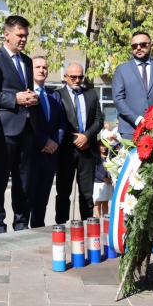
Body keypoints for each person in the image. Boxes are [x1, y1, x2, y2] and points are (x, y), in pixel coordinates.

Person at [0, 15, 39, 234]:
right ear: (7, 34)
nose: (23, 39)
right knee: (0, 181)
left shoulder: (28, 61)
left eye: (26, 35)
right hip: (3, 130)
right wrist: (15, 98)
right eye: (19, 35)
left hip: (26, 128)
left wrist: (33, 98)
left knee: (24, 181)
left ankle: (22, 224)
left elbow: (27, 91)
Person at [55, 63, 104, 224]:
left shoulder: (91, 95)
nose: (77, 80)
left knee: (87, 194)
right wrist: (75, 139)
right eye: (73, 77)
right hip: (66, 151)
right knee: (63, 192)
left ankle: (87, 227)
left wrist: (87, 136)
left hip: (87, 150)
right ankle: (61, 226)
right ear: (65, 77)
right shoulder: (57, 95)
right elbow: (56, 123)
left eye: (80, 77)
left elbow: (99, 120)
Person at [112, 31, 153, 139]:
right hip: (130, 130)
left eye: (143, 44)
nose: (138, 48)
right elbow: (118, 99)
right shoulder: (122, 70)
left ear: (151, 46)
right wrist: (138, 119)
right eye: (134, 46)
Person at [28, 56, 66, 228]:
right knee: (28, 196)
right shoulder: (26, 93)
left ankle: (38, 228)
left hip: (50, 154)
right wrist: (44, 141)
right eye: (37, 67)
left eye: (44, 67)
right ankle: (22, 231)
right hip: (32, 152)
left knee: (43, 196)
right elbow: (27, 123)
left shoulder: (54, 95)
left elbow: (61, 122)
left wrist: (55, 142)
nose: (42, 70)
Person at [93, 140, 113, 218]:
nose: (103, 148)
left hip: (108, 183)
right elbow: (94, 171)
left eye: (104, 146)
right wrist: (103, 178)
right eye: (101, 146)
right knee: (97, 203)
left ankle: (105, 220)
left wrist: (110, 178)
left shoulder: (109, 157)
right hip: (98, 183)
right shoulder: (96, 157)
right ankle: (98, 220)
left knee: (105, 202)